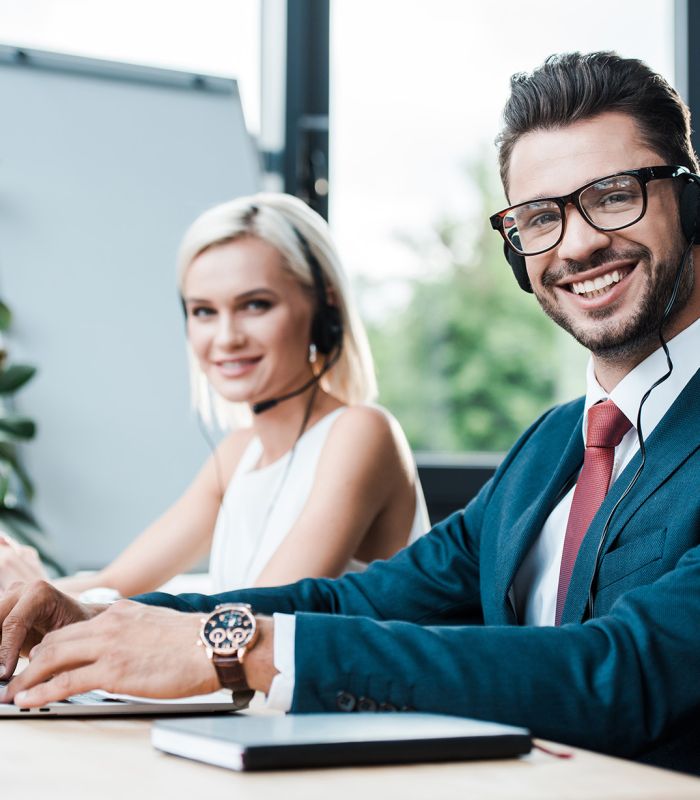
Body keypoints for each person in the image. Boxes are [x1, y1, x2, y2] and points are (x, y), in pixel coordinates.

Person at [1, 51, 699, 774]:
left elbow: (626, 672)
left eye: (615, 195)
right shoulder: (549, 448)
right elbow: (355, 603)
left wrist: (241, 648)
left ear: (691, 201)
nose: (578, 243)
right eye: (541, 217)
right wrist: (100, 620)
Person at [0, 193, 428, 597]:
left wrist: (40, 594)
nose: (226, 338)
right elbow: (115, 583)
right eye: (204, 311)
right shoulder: (237, 454)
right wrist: (29, 593)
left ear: (324, 309)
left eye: (255, 305)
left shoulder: (362, 432)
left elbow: (254, 616)